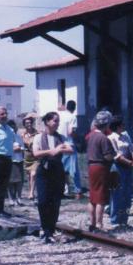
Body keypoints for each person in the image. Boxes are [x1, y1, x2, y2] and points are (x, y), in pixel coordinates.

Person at [32, 112, 73, 243]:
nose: (57, 123)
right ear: (47, 122)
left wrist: (59, 149)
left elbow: (70, 149)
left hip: (57, 171)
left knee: (55, 201)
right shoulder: (39, 137)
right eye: (55, 121)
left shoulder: (61, 137)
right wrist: (52, 151)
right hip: (44, 171)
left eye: (58, 121)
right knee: (43, 201)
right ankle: (45, 228)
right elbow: (36, 153)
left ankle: (51, 229)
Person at [87, 110, 115, 231]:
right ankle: (99, 224)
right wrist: (114, 155)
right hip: (100, 167)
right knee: (100, 197)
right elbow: (108, 156)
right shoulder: (103, 138)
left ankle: (92, 223)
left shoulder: (91, 136)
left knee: (92, 197)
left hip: (91, 166)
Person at [108, 116, 133, 229]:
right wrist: (129, 162)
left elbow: (131, 149)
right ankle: (115, 220)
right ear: (117, 126)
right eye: (122, 125)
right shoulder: (111, 138)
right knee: (117, 194)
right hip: (118, 167)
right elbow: (116, 155)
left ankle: (124, 219)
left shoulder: (126, 136)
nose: (124, 126)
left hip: (128, 167)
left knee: (127, 194)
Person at [58, 100, 81, 199]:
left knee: (61, 169)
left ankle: (61, 190)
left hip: (59, 144)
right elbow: (71, 132)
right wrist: (78, 138)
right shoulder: (72, 117)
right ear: (74, 108)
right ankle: (77, 191)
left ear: (66, 106)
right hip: (69, 144)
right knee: (74, 169)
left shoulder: (60, 115)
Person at [6, 120, 25, 206]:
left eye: (14, 127)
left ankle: (19, 197)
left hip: (19, 160)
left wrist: (19, 149)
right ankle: (11, 198)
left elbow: (23, 147)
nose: (13, 129)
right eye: (11, 127)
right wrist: (13, 149)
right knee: (10, 181)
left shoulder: (18, 137)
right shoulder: (6, 137)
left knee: (20, 181)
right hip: (10, 161)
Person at [21, 116, 39, 201]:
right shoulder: (23, 134)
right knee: (29, 176)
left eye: (30, 122)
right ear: (24, 124)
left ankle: (31, 193)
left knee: (33, 174)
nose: (29, 124)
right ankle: (31, 190)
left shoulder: (37, 134)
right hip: (26, 157)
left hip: (35, 157)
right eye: (27, 123)